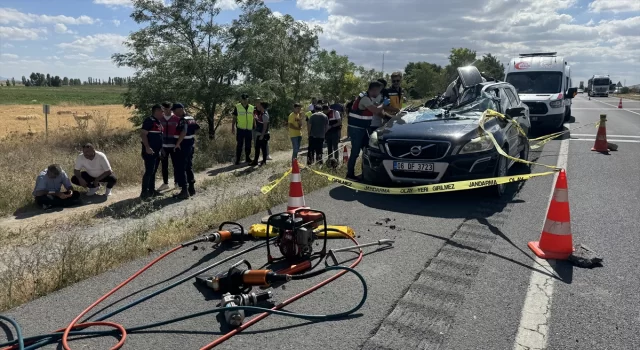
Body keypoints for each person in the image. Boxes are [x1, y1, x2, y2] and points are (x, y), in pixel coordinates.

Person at [346, 81, 386, 180]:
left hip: (363, 128)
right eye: (378, 91)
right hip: (356, 129)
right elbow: (376, 111)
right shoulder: (365, 99)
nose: (379, 93)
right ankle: (350, 174)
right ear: (374, 90)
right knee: (355, 152)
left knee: (366, 150)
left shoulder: (368, 98)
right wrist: (384, 104)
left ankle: (365, 173)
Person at [173, 103, 200, 199]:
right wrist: (191, 137)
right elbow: (197, 129)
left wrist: (177, 143)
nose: (174, 113)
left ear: (180, 109)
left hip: (183, 146)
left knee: (181, 168)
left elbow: (183, 131)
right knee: (189, 166)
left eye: (174, 111)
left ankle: (184, 191)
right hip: (190, 145)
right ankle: (191, 189)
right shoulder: (191, 118)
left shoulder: (183, 120)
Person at [140, 104, 164, 199]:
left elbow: (159, 137)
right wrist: (147, 147)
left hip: (157, 151)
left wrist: (161, 149)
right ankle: (144, 193)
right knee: (149, 171)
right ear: (157, 111)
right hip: (150, 151)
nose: (163, 112)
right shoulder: (149, 120)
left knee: (153, 171)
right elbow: (143, 134)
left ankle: (152, 190)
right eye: (162, 111)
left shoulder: (158, 122)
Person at [156, 101, 180, 190]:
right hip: (163, 146)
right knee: (164, 166)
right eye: (163, 109)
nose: (164, 111)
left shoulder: (176, 118)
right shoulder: (160, 119)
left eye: (166, 109)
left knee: (176, 165)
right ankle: (165, 183)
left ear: (170, 108)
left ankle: (177, 182)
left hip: (174, 145)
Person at [231, 93, 254, 165]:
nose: (244, 101)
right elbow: (234, 118)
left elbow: (253, 118)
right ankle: (237, 159)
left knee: (248, 145)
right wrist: (232, 127)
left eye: (246, 99)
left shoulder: (252, 107)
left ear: (248, 99)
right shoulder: (237, 107)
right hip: (240, 129)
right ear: (241, 99)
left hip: (249, 129)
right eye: (243, 99)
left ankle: (247, 157)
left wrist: (254, 126)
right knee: (239, 145)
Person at [251, 101, 270, 166]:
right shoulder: (261, 113)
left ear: (262, 106)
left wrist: (262, 135)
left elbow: (265, 126)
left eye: (260, 105)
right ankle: (256, 161)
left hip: (263, 134)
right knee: (257, 148)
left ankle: (263, 161)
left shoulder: (265, 114)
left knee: (263, 148)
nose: (258, 106)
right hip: (260, 134)